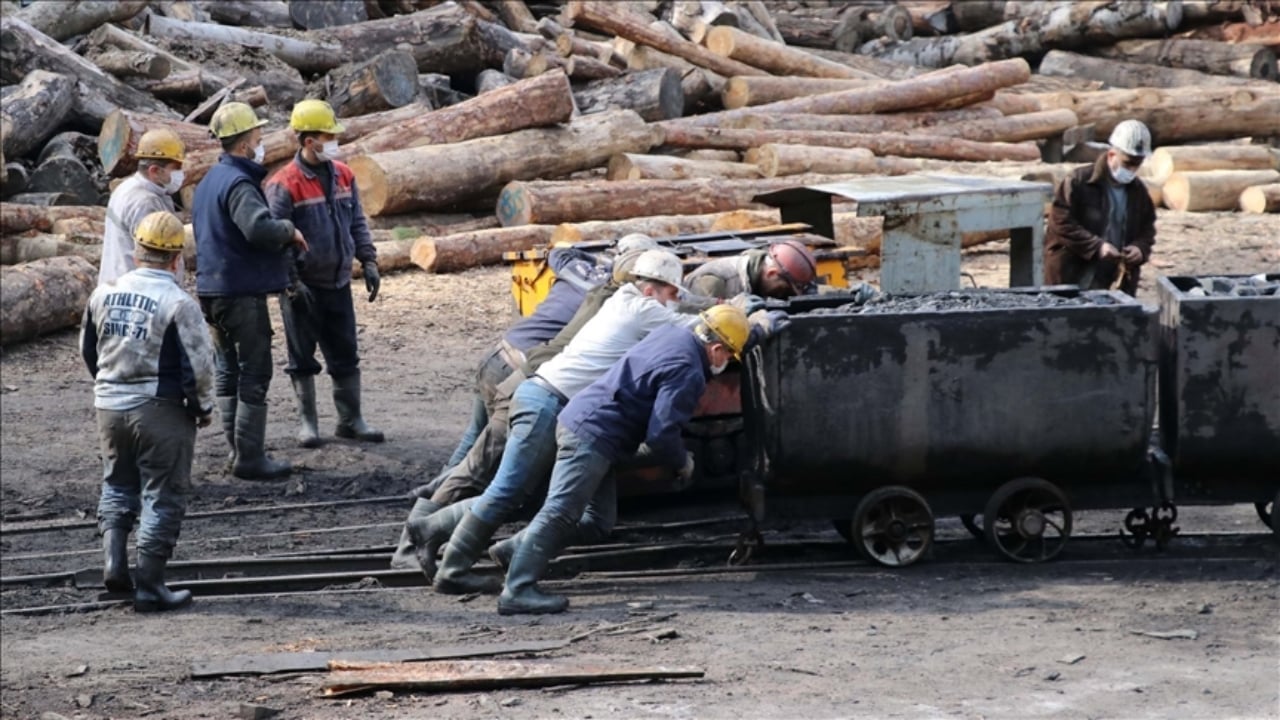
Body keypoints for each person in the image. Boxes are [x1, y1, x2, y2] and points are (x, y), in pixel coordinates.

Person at [405, 248, 699, 585]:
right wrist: (743, 312)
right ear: (652, 290)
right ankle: (448, 562)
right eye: (672, 294)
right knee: (508, 492)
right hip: (549, 401)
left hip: (568, 409)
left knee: (595, 518)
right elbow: (693, 327)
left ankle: (499, 546)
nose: (674, 301)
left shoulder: (623, 297)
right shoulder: (643, 309)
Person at [496, 305, 751, 615]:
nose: (726, 363)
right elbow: (661, 434)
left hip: (592, 425)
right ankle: (517, 590)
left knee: (596, 522)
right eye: (729, 356)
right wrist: (682, 461)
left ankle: (514, 550)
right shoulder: (689, 370)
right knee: (561, 511)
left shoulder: (673, 335)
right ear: (716, 348)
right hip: (592, 434)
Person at [80, 211, 216, 613]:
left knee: (118, 483)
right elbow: (199, 365)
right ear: (177, 259)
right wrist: (203, 407)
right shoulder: (178, 302)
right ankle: (151, 586)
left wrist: (110, 386)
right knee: (163, 493)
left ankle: (115, 563)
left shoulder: (102, 293)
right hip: (160, 409)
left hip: (109, 404)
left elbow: (90, 351)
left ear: (137, 251)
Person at [193, 102, 308, 480]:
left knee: (227, 368)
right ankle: (250, 457)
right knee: (254, 371)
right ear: (243, 145)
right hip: (239, 291)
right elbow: (257, 228)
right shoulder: (239, 183)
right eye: (257, 140)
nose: (261, 147)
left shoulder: (210, 180)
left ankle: (236, 450)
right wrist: (288, 230)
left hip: (212, 290)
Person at [265, 99, 382, 449]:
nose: (333, 141)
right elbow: (276, 238)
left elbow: (357, 222)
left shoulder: (344, 174)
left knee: (345, 353)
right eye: (327, 135)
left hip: (339, 281)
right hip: (303, 285)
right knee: (302, 358)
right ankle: (308, 423)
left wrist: (369, 260)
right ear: (308, 140)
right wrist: (290, 282)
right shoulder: (284, 183)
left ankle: (350, 420)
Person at [1045, 119, 1157, 297]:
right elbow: (1061, 223)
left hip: (1111, 278)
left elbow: (1147, 228)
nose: (1132, 170)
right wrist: (1096, 246)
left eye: (1137, 164)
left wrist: (1139, 248)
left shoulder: (1138, 191)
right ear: (1112, 155)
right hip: (1072, 273)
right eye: (1128, 163)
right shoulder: (1078, 182)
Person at [99, 128, 187, 286]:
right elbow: (155, 259)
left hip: (117, 285)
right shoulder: (145, 202)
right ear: (154, 171)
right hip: (137, 291)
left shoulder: (126, 188)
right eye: (175, 168)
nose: (180, 174)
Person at [684, 238, 819, 300]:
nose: (784, 295)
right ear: (771, 273)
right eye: (785, 289)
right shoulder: (713, 283)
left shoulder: (758, 279)